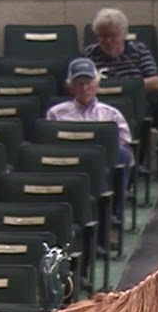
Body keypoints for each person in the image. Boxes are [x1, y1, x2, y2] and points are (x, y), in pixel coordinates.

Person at [47, 57, 135, 228]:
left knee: (124, 155)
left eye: (88, 83)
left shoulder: (111, 114)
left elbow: (125, 141)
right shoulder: (56, 113)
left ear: (97, 85)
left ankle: (113, 216)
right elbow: (47, 142)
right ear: (70, 87)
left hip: (101, 163)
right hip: (66, 160)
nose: (84, 88)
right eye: (79, 83)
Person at [81, 7, 158, 94]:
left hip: (133, 100)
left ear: (124, 34)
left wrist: (119, 88)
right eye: (103, 36)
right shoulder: (90, 53)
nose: (108, 41)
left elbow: (155, 83)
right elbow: (76, 84)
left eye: (113, 35)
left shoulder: (139, 50)